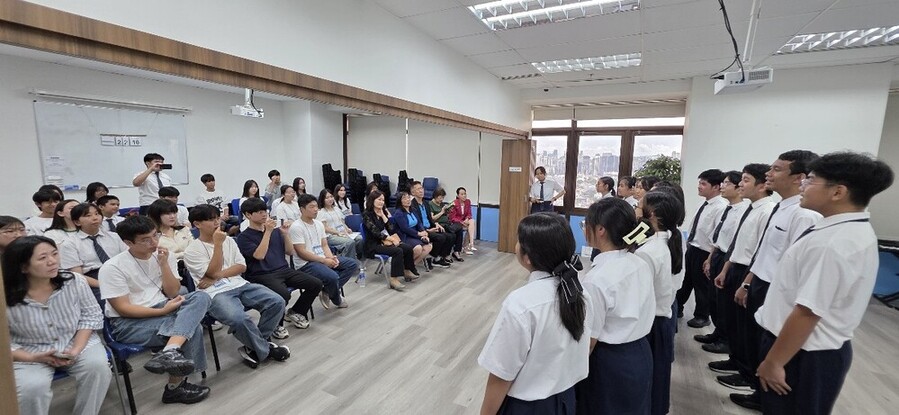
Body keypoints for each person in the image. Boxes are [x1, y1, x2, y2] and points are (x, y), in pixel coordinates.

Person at [755, 152, 893, 414]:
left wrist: (774, 361)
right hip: (800, 348)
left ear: (838, 192)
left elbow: (808, 311)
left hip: (803, 353)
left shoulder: (835, 243)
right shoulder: (838, 229)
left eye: (812, 180)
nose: (803, 186)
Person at [727, 150, 822, 410]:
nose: (769, 174)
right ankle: (757, 388)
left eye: (777, 170)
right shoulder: (783, 208)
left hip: (778, 289)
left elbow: (797, 268)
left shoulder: (804, 215)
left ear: (798, 178)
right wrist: (748, 283)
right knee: (754, 339)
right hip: (760, 282)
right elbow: (766, 252)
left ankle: (763, 392)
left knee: (768, 344)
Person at [478, 213, 592, 414]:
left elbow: (501, 374)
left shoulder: (521, 304)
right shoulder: (580, 292)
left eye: (519, 241)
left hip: (528, 407)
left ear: (527, 256)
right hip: (566, 399)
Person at [100, 216, 212, 404]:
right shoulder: (112, 268)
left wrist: (164, 264)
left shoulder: (163, 255)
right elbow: (123, 308)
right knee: (193, 330)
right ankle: (174, 388)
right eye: (146, 239)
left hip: (163, 307)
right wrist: (162, 312)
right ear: (128, 242)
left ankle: (170, 350)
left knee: (201, 296)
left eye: (155, 235)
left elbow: (173, 291)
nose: (154, 242)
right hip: (128, 322)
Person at [5, 236, 111, 415]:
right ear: (23, 267)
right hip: (28, 350)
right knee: (32, 388)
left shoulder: (74, 280)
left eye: (54, 254)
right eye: (42, 258)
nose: (52, 261)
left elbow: (91, 315)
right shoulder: (5, 295)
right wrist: (31, 357)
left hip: (74, 341)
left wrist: (76, 349)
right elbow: (3, 341)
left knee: (97, 368)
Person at [183, 204, 290, 369]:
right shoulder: (192, 250)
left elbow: (241, 267)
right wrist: (217, 246)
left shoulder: (229, 241)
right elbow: (211, 273)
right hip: (214, 293)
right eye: (211, 220)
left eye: (217, 218)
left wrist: (216, 276)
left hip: (239, 283)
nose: (217, 222)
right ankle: (265, 349)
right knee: (238, 318)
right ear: (197, 224)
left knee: (277, 301)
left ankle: (254, 345)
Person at [576, 197, 655, 415]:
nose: (584, 230)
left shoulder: (597, 279)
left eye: (585, 225)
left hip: (610, 362)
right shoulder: (639, 262)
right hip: (641, 352)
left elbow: (590, 341)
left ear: (600, 229)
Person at [706, 163, 776, 391]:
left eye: (746, 180)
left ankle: (748, 375)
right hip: (736, 266)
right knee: (734, 320)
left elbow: (760, 252)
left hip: (750, 272)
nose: (741, 185)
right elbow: (737, 245)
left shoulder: (767, 211)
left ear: (762, 185)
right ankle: (736, 361)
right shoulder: (751, 208)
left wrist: (747, 283)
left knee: (747, 327)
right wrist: (725, 269)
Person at [236, 198, 322, 338]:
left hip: (283, 269)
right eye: (259, 212)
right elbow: (259, 255)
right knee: (284, 294)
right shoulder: (244, 237)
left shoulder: (275, 231)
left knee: (316, 284)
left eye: (265, 211)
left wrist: (285, 234)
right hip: (261, 274)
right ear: (248, 215)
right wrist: (268, 232)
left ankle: (296, 311)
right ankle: (276, 324)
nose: (264, 214)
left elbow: (289, 251)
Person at [635, 190, 684, 415]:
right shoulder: (665, 238)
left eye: (640, 204)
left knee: (651, 379)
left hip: (653, 322)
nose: (636, 206)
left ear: (651, 213)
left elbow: (636, 296)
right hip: (661, 317)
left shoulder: (650, 252)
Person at [697, 170, 750, 354]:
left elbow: (735, 242)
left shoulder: (743, 211)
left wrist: (724, 265)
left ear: (736, 188)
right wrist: (710, 258)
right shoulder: (727, 208)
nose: (723, 186)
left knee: (725, 303)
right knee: (714, 299)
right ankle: (718, 333)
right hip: (718, 254)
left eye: (727, 183)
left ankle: (725, 340)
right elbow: (717, 236)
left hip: (730, 258)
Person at [675, 169, 727, 329]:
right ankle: (679, 307)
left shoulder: (720, 207)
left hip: (705, 252)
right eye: (700, 183)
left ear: (717, 187)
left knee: (702, 285)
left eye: (703, 184)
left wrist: (710, 258)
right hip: (694, 247)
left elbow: (718, 234)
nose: (699, 187)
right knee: (687, 280)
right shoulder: (705, 203)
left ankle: (702, 316)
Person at [290, 194, 359, 309]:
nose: (315, 210)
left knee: (352, 264)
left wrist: (331, 257)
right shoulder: (296, 227)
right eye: (311, 207)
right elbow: (301, 252)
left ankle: (327, 290)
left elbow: (324, 244)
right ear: (302, 209)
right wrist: (324, 260)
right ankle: (336, 299)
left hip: (321, 258)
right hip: (306, 264)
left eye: (316, 206)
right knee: (332, 277)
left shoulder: (318, 224)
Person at [60, 203, 128, 302]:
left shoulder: (114, 236)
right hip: (93, 280)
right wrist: (104, 284)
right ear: (77, 222)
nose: (95, 218)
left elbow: (127, 259)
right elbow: (78, 275)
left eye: (97, 214)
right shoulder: (69, 244)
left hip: (119, 273)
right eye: (88, 215)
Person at [362, 190, 415, 290]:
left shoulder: (383, 212)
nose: (381, 202)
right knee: (397, 251)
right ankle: (393, 279)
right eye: (379, 199)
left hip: (384, 241)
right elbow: (375, 232)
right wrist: (391, 239)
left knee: (407, 248)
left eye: (383, 200)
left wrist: (383, 216)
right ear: (372, 200)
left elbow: (392, 229)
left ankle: (407, 271)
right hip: (373, 245)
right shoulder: (367, 214)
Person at [317, 189, 366, 280]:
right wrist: (337, 232)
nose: (330, 199)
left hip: (342, 233)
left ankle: (359, 260)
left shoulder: (336, 209)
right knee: (349, 242)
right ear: (322, 199)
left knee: (360, 238)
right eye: (327, 198)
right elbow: (324, 228)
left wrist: (347, 229)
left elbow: (341, 221)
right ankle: (349, 264)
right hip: (330, 236)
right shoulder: (321, 212)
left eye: (331, 197)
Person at [410, 181, 453, 268]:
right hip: (422, 230)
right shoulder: (412, 205)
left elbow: (430, 218)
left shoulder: (425, 203)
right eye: (418, 189)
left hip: (430, 227)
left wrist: (436, 224)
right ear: (413, 192)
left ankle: (441, 256)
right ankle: (433, 258)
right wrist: (427, 230)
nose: (421, 191)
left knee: (450, 236)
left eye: (421, 188)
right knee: (440, 237)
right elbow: (416, 222)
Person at [393, 192, 433, 273]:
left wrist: (423, 232)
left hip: (415, 234)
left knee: (428, 246)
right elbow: (405, 228)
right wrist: (418, 234)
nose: (407, 200)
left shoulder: (413, 210)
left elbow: (419, 223)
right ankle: (407, 267)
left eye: (408, 198)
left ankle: (411, 266)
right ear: (400, 201)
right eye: (404, 198)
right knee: (418, 248)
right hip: (404, 236)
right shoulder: (398, 213)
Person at [428, 188, 465, 262]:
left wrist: (448, 212)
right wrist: (442, 212)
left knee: (459, 229)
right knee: (451, 235)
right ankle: (444, 255)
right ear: (435, 196)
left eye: (443, 198)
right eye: (440, 197)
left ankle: (456, 251)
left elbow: (446, 215)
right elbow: (432, 218)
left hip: (447, 223)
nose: (441, 199)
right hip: (439, 225)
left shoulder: (442, 204)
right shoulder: (430, 204)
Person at [450, 187, 477, 254]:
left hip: (465, 221)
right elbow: (452, 217)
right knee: (470, 226)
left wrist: (467, 218)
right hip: (457, 222)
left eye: (465, 194)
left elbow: (469, 213)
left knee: (472, 221)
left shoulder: (468, 201)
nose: (464, 195)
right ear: (458, 196)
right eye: (462, 194)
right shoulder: (454, 203)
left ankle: (471, 243)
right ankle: (467, 247)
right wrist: (461, 222)